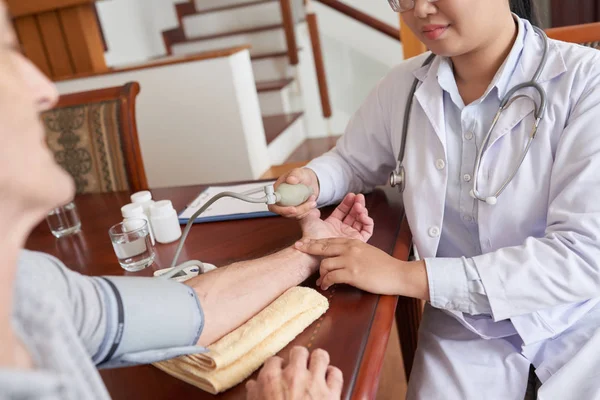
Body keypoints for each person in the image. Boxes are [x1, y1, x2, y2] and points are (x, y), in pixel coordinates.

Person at [0, 1, 369, 397]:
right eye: (5, 54)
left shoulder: (34, 285)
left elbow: (196, 308)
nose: (46, 91)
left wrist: (311, 247)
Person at [270, 0, 600, 399]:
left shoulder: (587, 82)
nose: (419, 9)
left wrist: (406, 276)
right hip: (465, 327)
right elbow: (351, 160)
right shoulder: (401, 87)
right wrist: (313, 180)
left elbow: (583, 255)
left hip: (576, 319)